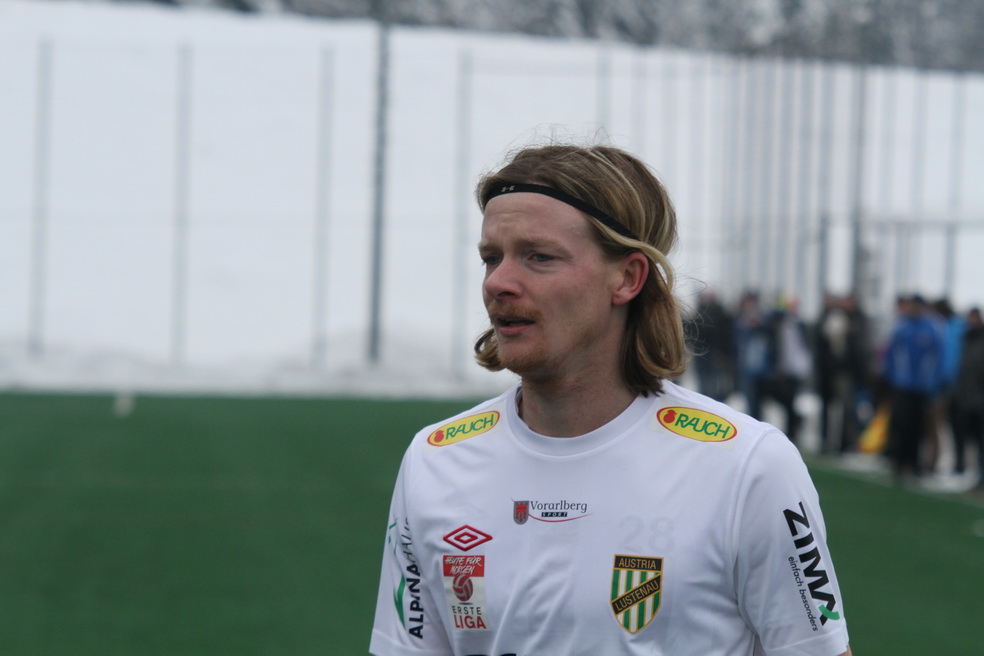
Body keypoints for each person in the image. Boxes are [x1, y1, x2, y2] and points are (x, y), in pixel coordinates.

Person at [369, 143, 852, 656]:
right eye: (492, 257)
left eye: (539, 257)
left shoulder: (748, 466)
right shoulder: (434, 460)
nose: (498, 282)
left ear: (627, 277)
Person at [882, 294, 945, 482]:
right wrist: (892, 378)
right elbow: (891, 355)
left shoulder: (932, 329)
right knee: (901, 424)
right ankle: (899, 462)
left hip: (922, 389)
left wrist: (935, 383)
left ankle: (914, 463)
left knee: (918, 427)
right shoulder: (902, 328)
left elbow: (938, 358)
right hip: (902, 386)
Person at [951, 307, 984, 488]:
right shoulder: (966, 339)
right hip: (966, 397)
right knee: (966, 438)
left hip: (978, 398)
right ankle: (968, 472)